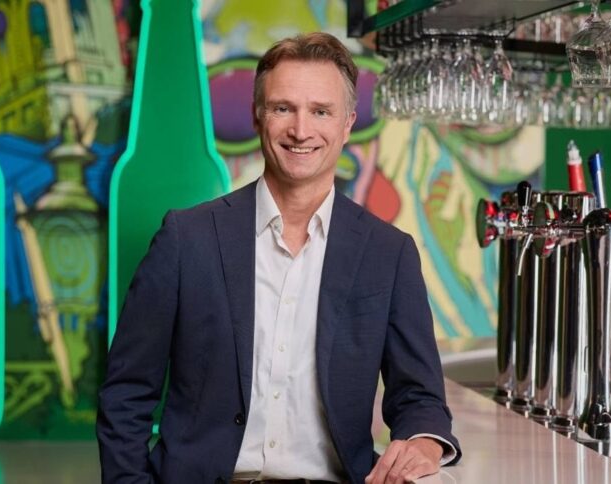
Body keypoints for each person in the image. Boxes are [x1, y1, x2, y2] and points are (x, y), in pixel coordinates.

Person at [97, 32, 461, 484]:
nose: (301, 130)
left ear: (347, 123)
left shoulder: (389, 253)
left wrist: (423, 443)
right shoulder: (186, 239)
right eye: (283, 108)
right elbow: (127, 391)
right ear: (258, 116)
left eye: (321, 111)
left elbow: (420, 397)